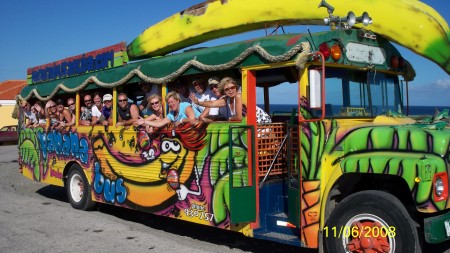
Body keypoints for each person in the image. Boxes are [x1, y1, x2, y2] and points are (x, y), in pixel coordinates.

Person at [134, 91, 200, 129]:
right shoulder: (171, 113)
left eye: (172, 101)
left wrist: (181, 121)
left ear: (177, 100)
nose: (171, 104)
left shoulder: (185, 105)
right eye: (169, 103)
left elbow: (193, 118)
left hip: (202, 127)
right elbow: (160, 123)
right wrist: (145, 122)